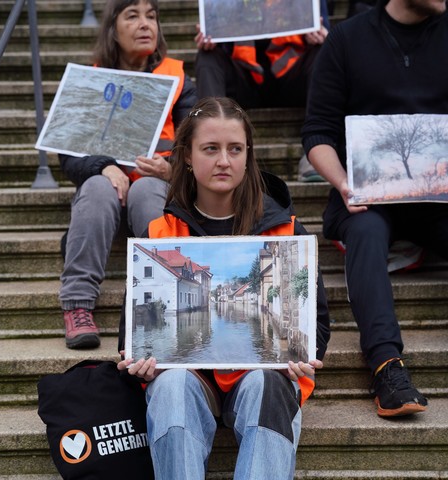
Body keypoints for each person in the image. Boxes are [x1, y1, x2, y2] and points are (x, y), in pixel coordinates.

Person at [118, 97, 331, 479]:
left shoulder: (285, 231)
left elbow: (316, 320)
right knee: (171, 388)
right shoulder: (160, 234)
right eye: (210, 149)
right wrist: (139, 364)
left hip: (260, 382)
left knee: (270, 384)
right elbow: (131, 331)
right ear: (185, 156)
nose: (224, 161)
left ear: (248, 156)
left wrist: (303, 352)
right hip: (191, 383)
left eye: (235, 149)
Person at [301, 0, 448, 416]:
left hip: (439, 198)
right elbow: (317, 133)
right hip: (367, 196)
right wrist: (344, 184)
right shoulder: (347, 40)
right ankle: (386, 366)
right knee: (365, 230)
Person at [59, 0, 197, 349]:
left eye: (151, 16)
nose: (144, 24)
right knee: (96, 186)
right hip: (105, 197)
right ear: (113, 30)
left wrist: (172, 170)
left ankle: (157, 305)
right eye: (132, 16)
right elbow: (68, 156)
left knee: (148, 187)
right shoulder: (90, 80)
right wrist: (103, 165)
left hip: (155, 194)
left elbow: (203, 146)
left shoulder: (178, 77)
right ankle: (77, 305)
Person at [194, 2, 330, 183]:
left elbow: (325, 31)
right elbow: (219, 36)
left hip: (293, 76)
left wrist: (323, 36)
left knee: (324, 51)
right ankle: (214, 152)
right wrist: (211, 38)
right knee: (207, 57)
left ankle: (318, 151)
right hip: (244, 78)